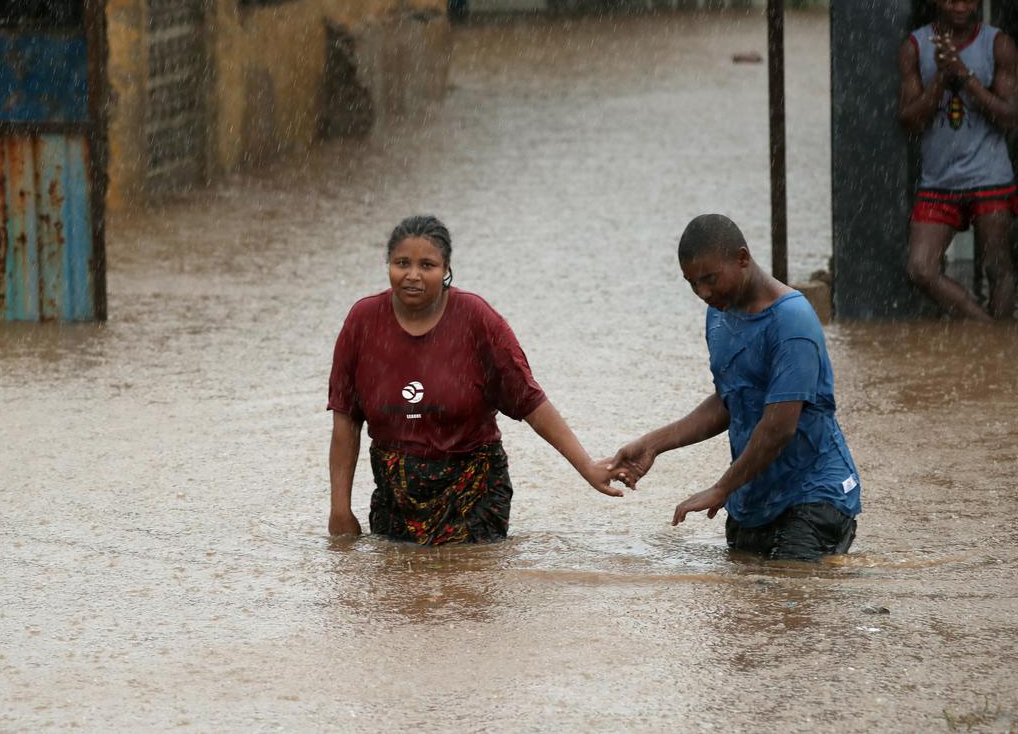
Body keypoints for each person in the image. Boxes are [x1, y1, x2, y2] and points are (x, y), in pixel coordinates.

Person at [327, 215, 622, 545]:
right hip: (395, 499)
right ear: (388, 265)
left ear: (446, 269)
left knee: (468, 588)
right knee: (397, 592)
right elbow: (346, 422)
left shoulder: (477, 320)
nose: (413, 275)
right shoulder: (363, 322)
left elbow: (531, 402)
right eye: (402, 263)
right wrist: (340, 509)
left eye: (427, 265)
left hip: (474, 493)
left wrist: (586, 466)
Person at [606, 215, 862, 561]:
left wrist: (721, 487)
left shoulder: (792, 321)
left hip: (814, 497)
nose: (703, 293)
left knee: (793, 599)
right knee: (745, 609)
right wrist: (653, 444)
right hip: (752, 497)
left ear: (743, 258)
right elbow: (732, 400)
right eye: (692, 283)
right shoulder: (719, 315)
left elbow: (779, 426)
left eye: (710, 279)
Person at [900, 0, 1018, 321]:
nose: (960, 8)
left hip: (990, 176)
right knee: (920, 269)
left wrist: (964, 76)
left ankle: (995, 351)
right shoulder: (915, 46)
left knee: (999, 268)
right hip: (939, 180)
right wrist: (940, 77)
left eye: (967, 1)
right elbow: (908, 120)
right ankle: (986, 333)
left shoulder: (999, 45)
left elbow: (1010, 116)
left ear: (978, 1)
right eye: (952, 0)